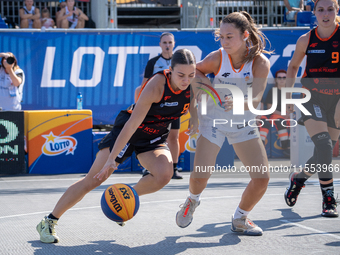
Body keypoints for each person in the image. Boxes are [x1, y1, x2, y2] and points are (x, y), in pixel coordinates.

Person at [36, 49, 198, 243]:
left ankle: (125, 197)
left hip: (153, 138)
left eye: (191, 75)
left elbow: (193, 104)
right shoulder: (156, 86)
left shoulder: (193, 85)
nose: (185, 80)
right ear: (170, 70)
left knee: (165, 175)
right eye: (180, 75)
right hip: (129, 132)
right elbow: (132, 124)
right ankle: (49, 221)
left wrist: (195, 122)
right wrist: (112, 160)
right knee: (94, 179)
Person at [176, 11, 271, 236]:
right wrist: (197, 111)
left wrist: (240, 101)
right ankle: (192, 200)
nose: (224, 41)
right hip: (214, 120)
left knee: (262, 179)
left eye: (230, 37)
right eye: (222, 36)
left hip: (243, 122)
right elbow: (195, 72)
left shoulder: (260, 62)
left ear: (245, 35)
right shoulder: (217, 58)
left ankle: (240, 218)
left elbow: (257, 99)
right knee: (200, 175)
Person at [284, 0, 340, 217]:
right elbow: (293, 67)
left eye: (330, 9)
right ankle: (329, 198)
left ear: (337, 10)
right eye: (320, 9)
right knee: (325, 146)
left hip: (336, 99)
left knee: (323, 152)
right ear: (313, 12)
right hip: (312, 97)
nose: (325, 14)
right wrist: (288, 96)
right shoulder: (306, 39)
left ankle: (298, 179)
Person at [135, 32, 183, 179]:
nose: (167, 45)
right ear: (160, 45)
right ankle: (148, 168)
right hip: (157, 107)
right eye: (165, 42)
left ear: (174, 44)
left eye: (170, 42)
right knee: (151, 137)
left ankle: (174, 168)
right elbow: (144, 86)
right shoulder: (153, 62)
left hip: (175, 106)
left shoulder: (180, 62)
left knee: (173, 137)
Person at [259, 69, 290, 156]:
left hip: (289, 115)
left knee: (296, 123)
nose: (282, 79)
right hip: (277, 115)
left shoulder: (290, 91)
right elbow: (270, 108)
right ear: (276, 80)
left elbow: (293, 106)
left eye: (284, 77)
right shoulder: (272, 91)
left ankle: (290, 148)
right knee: (280, 122)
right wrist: (283, 114)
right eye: (279, 77)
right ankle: (285, 146)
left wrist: (289, 114)